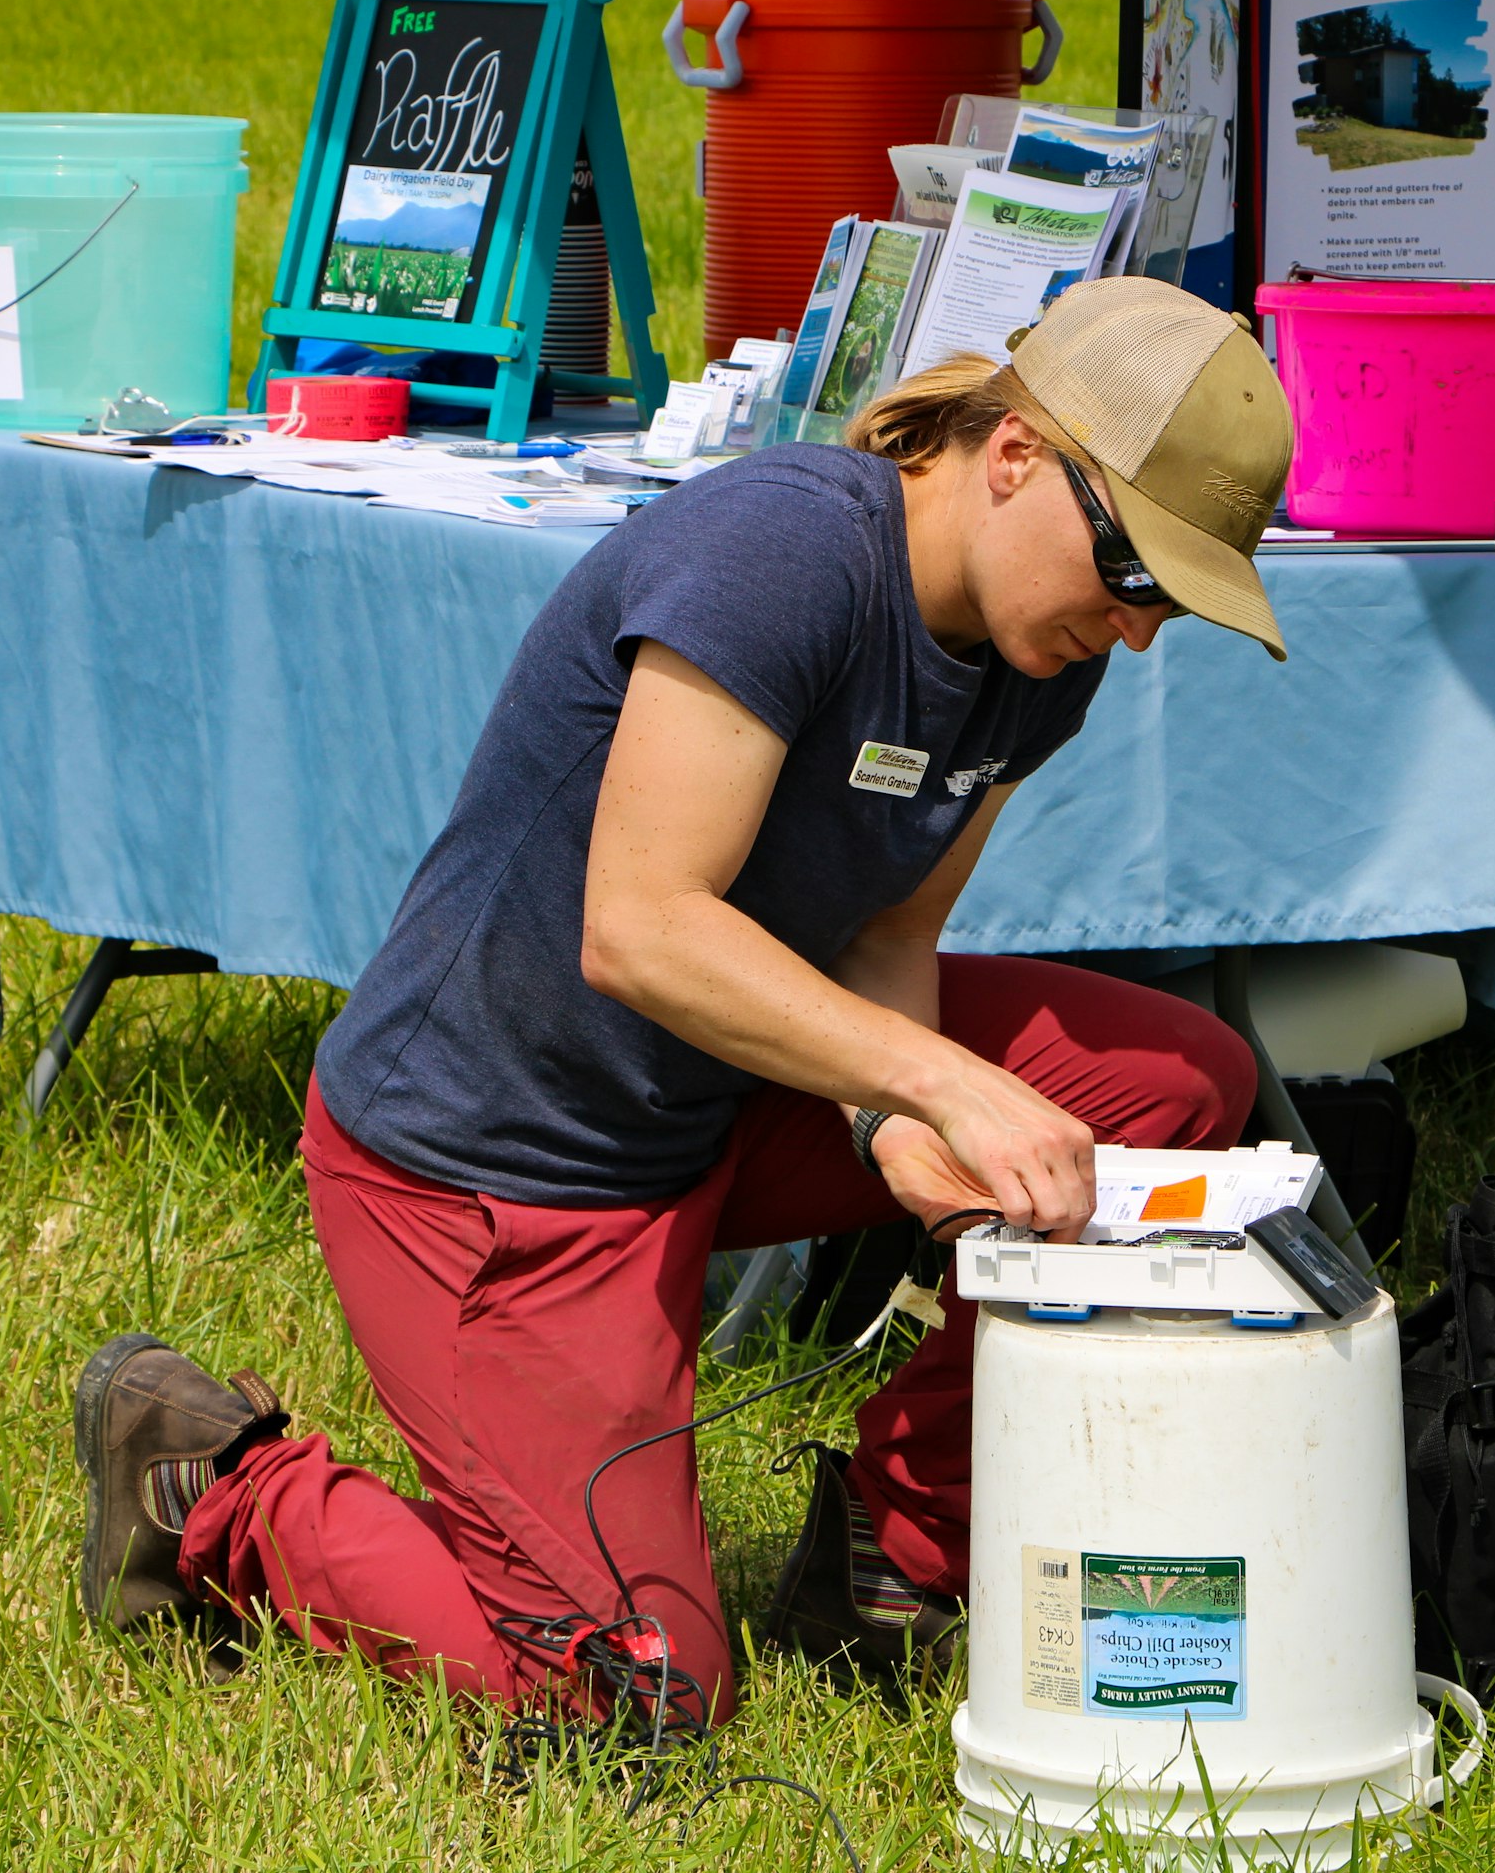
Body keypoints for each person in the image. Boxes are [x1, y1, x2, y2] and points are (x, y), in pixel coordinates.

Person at [74, 278, 1292, 1721]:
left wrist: (876, 1116)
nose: (1139, 630)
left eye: (1173, 597)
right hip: (496, 1169)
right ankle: (215, 1480)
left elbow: (889, 923)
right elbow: (639, 932)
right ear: (1015, 455)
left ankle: (894, 1542)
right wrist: (940, 1083)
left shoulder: (1038, 651)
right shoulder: (781, 552)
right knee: (630, 1698)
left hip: (707, 1104)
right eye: (1134, 574)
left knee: (1168, 1085)